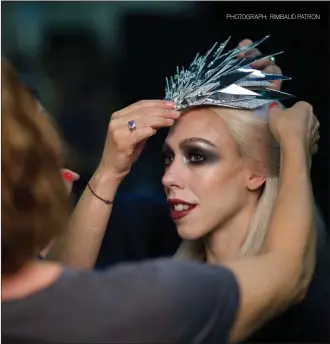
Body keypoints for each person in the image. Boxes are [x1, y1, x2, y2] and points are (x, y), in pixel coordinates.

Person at [1, 49, 319, 344]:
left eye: (197, 156)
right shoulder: (148, 248)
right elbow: (288, 273)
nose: (167, 178)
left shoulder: (306, 322)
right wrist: (295, 146)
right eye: (168, 157)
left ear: (258, 169)